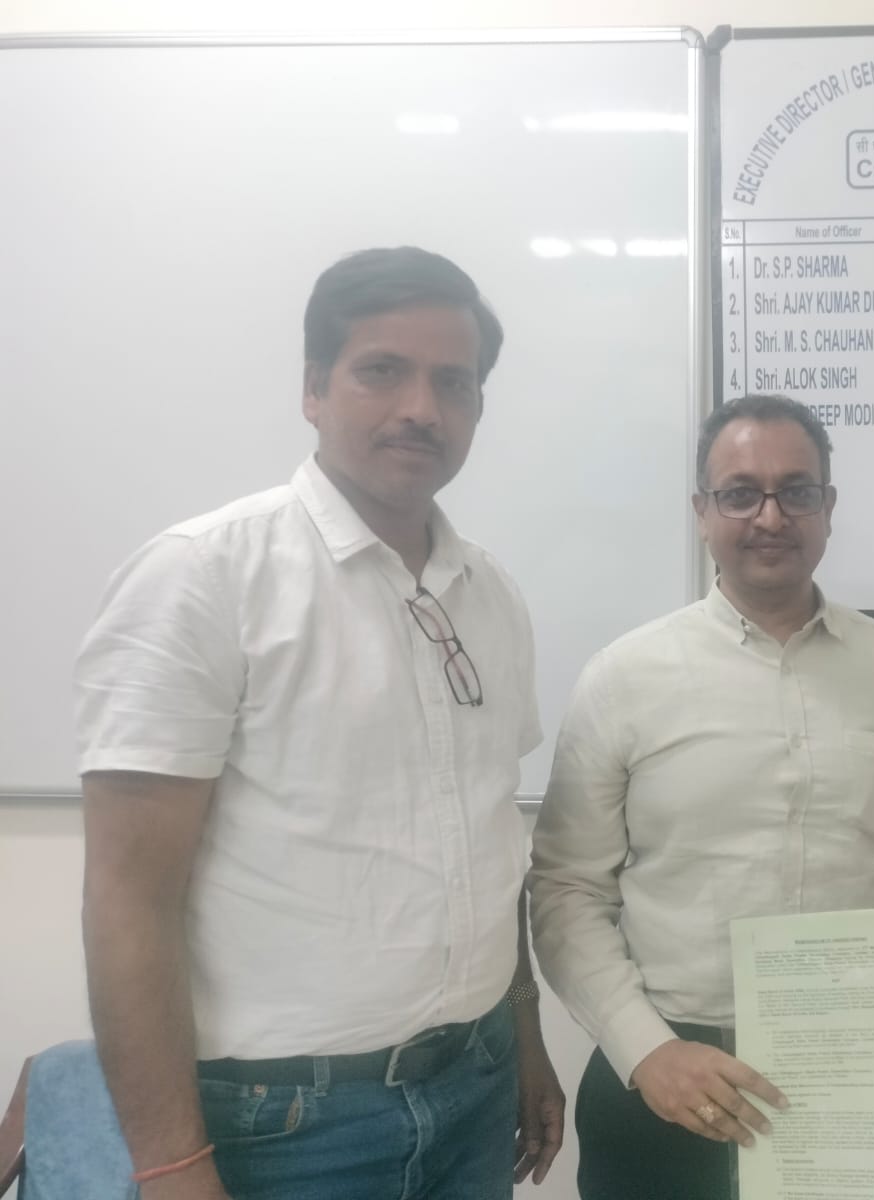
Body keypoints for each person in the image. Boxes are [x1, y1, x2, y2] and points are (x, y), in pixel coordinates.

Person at [74, 247, 564, 1200]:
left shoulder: (490, 593)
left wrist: (525, 1038)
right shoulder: (202, 577)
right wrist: (171, 1166)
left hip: (475, 1086)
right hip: (283, 1127)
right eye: (383, 370)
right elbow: (128, 899)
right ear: (313, 387)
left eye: (453, 382)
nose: (421, 407)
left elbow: (487, 839)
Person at [527, 393, 874, 1200]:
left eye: (797, 491)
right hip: (667, 1079)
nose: (771, 516)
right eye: (741, 493)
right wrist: (647, 1050)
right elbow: (567, 890)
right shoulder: (624, 676)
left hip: (852, 1073)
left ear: (829, 507)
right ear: (702, 513)